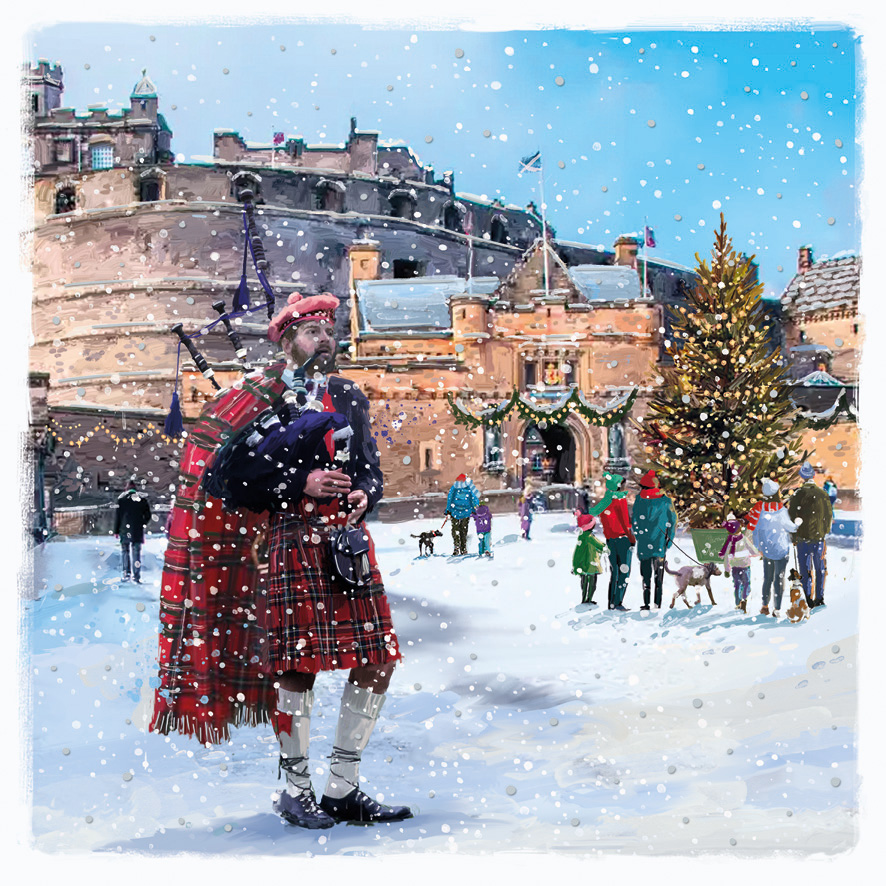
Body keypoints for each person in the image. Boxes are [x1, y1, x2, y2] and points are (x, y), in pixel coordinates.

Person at [149, 292, 412, 830]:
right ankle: (296, 790)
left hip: (347, 543)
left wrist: (365, 494)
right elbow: (228, 479)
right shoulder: (258, 398)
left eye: (328, 331)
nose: (324, 340)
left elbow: (369, 469)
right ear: (286, 339)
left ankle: (342, 787)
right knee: (298, 668)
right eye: (312, 332)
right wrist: (300, 482)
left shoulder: (347, 396)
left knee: (377, 659)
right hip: (291, 539)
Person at [787, 461, 834, 608]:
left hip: (802, 538)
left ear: (802, 477)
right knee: (820, 568)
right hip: (818, 538)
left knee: (805, 569)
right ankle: (819, 597)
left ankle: (808, 597)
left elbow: (792, 517)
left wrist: (794, 536)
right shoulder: (822, 494)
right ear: (813, 476)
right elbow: (828, 515)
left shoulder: (797, 495)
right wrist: (823, 531)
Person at [630, 470, 678, 610]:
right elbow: (673, 521)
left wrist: (639, 535)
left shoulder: (640, 500)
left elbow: (635, 520)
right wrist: (669, 540)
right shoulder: (666, 501)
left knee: (646, 577)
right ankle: (657, 604)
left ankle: (646, 603)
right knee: (659, 578)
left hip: (645, 544)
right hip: (660, 545)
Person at [751, 480, 798, 617]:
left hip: (767, 550)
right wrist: (798, 524)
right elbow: (791, 528)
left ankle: (764, 605)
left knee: (767, 578)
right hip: (781, 550)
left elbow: (756, 532)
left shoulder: (762, 512)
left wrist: (758, 547)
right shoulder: (782, 512)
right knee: (779, 578)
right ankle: (776, 608)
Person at [592, 472, 636, 611]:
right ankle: (617, 602)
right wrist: (631, 537)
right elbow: (624, 522)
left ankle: (612, 602)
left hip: (610, 540)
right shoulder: (620, 500)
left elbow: (592, 512)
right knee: (624, 572)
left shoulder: (605, 500)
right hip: (623, 539)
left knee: (615, 572)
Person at [113, 477, 151, 583]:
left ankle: (126, 573)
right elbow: (148, 515)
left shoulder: (121, 500)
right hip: (137, 531)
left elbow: (118, 517)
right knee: (136, 553)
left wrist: (116, 530)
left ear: (126, 489)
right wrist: (142, 523)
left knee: (125, 551)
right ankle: (136, 575)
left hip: (124, 530)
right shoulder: (142, 500)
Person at [719, 514, 759, 613]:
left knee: (737, 585)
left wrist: (727, 569)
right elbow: (753, 550)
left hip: (735, 567)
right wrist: (756, 553)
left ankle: (738, 602)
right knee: (746, 584)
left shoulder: (729, 541)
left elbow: (726, 558)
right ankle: (744, 600)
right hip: (745, 566)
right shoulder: (744, 539)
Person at [572, 512, 606, 606]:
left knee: (584, 582)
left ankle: (584, 598)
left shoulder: (582, 536)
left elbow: (577, 552)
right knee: (592, 583)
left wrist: (576, 564)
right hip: (591, 564)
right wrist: (607, 548)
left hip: (583, 564)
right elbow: (601, 546)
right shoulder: (590, 537)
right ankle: (589, 599)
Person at [445, 473, 480, 556]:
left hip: (455, 511)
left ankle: (456, 547)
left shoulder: (454, 487)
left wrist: (448, 510)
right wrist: (475, 508)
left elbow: (450, 499)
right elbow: (475, 497)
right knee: (463, 530)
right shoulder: (469, 487)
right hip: (466, 511)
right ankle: (463, 549)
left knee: (455, 530)